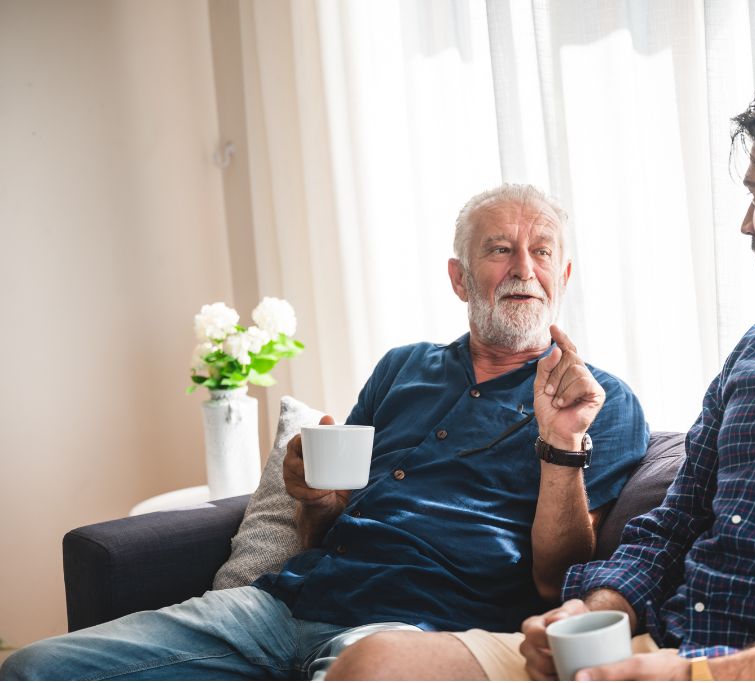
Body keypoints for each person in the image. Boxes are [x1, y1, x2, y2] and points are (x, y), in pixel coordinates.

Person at [329, 64, 755, 681]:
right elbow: (674, 525)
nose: (746, 224)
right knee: (374, 662)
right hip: (653, 648)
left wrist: (701, 675)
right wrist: (592, 608)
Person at [1, 184, 649, 680]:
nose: (522, 268)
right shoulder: (404, 366)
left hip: (417, 630)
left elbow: (558, 579)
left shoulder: (599, 400)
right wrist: (312, 493)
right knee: (31, 668)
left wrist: (561, 444)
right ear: (458, 276)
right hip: (284, 604)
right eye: (499, 248)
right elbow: (331, 520)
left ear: (562, 277)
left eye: (541, 252)